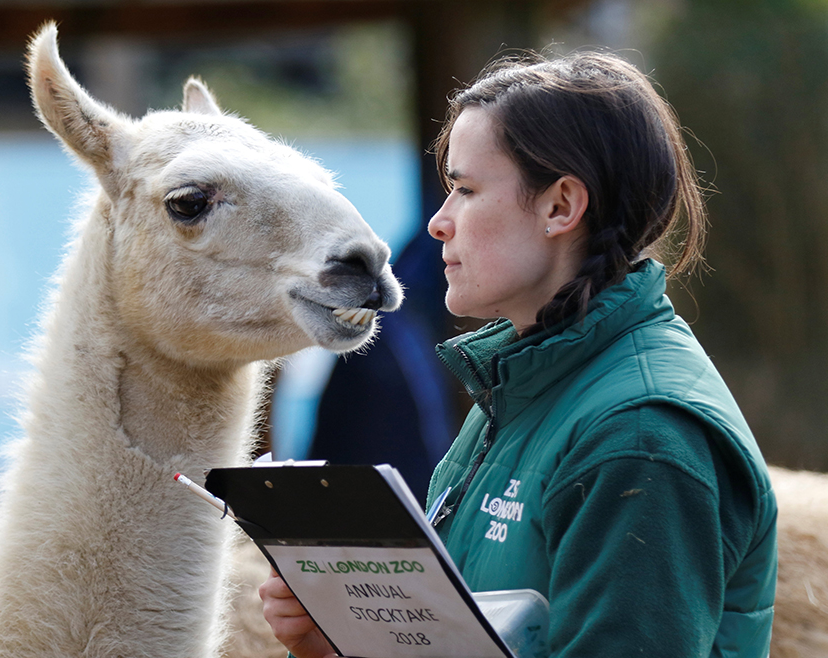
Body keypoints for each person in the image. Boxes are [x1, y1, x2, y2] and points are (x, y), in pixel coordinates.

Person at [259, 50, 777, 657]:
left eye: (466, 190)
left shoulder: (640, 437)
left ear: (560, 206)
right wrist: (343, 639)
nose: (437, 224)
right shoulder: (521, 386)